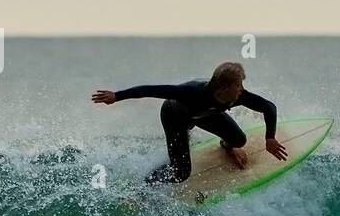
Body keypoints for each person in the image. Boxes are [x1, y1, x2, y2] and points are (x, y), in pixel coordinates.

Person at [91, 62, 288, 184]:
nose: (241, 90)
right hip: (174, 117)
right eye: (238, 86)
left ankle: (227, 147)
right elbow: (151, 90)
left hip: (204, 115)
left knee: (238, 140)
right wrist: (117, 96)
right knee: (180, 173)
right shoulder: (192, 92)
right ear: (223, 87)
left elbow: (268, 106)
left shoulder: (237, 96)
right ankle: (146, 186)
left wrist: (270, 137)